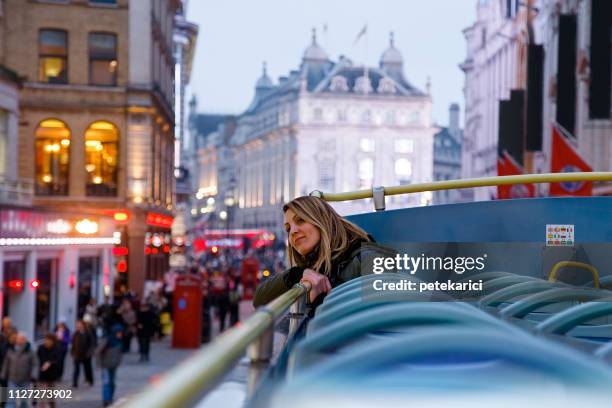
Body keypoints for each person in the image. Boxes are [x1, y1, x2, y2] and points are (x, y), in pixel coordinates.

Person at [253, 196, 396, 310]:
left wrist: (319, 301)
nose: (293, 231)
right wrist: (295, 274)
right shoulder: (311, 269)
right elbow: (259, 300)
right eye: (288, 228)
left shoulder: (371, 258)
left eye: (301, 220)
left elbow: (385, 319)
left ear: (322, 220)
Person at [1, 332, 36, 408]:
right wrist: (3, 374)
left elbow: (35, 364)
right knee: (10, 401)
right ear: (16, 340)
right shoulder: (11, 350)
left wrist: (33, 375)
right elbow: (6, 363)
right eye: (19, 339)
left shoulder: (30, 351)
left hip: (25, 379)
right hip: (12, 379)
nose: (20, 341)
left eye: (22, 339)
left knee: (24, 402)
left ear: (25, 340)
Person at [96, 316, 123, 407]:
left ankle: (110, 398)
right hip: (106, 365)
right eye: (119, 332)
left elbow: (120, 353)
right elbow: (98, 352)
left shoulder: (119, 341)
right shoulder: (107, 340)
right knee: (106, 383)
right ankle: (106, 400)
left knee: (112, 383)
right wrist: (99, 364)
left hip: (114, 365)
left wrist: (119, 362)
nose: (120, 334)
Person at [36, 334, 61, 406]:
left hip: (51, 376)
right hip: (42, 375)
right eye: (46, 340)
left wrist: (50, 363)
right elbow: (38, 359)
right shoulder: (41, 348)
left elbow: (58, 361)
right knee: (42, 397)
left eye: (49, 340)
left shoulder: (56, 349)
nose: (46, 342)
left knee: (51, 397)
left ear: (53, 341)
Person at [71, 320, 95, 387]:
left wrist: (89, 352)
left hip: (86, 354)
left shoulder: (88, 333)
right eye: (77, 325)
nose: (78, 326)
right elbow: (73, 344)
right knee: (76, 369)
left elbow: (92, 343)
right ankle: (75, 383)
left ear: (83, 325)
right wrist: (72, 352)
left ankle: (90, 380)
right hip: (77, 354)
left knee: (87, 368)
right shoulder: (76, 333)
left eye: (79, 324)